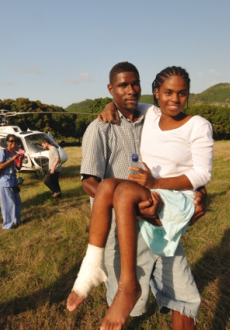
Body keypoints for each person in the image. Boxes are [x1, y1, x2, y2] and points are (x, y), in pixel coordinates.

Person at [67, 65, 213, 329]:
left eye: (135, 84)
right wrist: (135, 208)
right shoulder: (100, 128)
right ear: (110, 89)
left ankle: (121, 283)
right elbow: (89, 182)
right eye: (122, 86)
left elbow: (190, 164)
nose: (131, 90)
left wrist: (199, 191)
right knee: (126, 310)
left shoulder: (153, 116)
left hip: (158, 215)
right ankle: (100, 272)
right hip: (120, 225)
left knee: (183, 296)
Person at [0, 134, 24, 230]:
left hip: (13, 181)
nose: (14, 143)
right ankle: (7, 226)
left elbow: (18, 167)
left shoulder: (15, 152)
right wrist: (12, 159)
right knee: (8, 204)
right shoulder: (3, 152)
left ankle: (17, 221)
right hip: (4, 182)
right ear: (7, 142)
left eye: (15, 141)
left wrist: (21, 159)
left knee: (17, 202)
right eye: (11, 141)